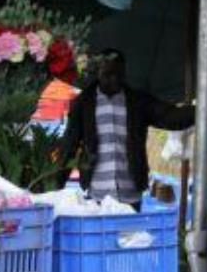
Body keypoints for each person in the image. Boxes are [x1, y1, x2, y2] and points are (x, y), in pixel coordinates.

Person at [60, 49, 195, 210]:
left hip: (130, 194)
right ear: (97, 72)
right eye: (108, 74)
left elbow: (169, 117)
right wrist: (54, 187)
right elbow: (69, 145)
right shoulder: (83, 103)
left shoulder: (138, 102)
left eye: (119, 74)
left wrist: (199, 111)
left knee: (132, 236)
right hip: (96, 193)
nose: (114, 79)